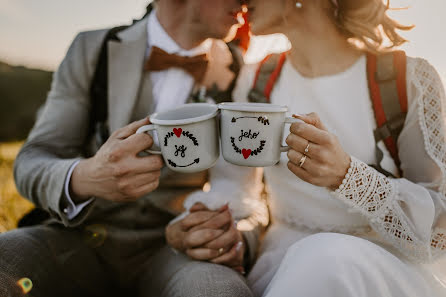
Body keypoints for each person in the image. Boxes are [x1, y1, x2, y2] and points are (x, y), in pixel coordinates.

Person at [175, 0, 446, 296]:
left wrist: (348, 176)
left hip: (379, 268)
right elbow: (236, 191)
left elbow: (439, 230)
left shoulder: (406, 79)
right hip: (281, 264)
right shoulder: (255, 79)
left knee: (326, 258)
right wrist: (216, 231)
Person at [0, 1, 268, 296]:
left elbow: (253, 195)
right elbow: (31, 161)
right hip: (74, 238)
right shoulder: (93, 48)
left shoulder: (242, 71)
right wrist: (87, 176)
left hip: (178, 251)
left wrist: (237, 239)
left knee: (219, 291)